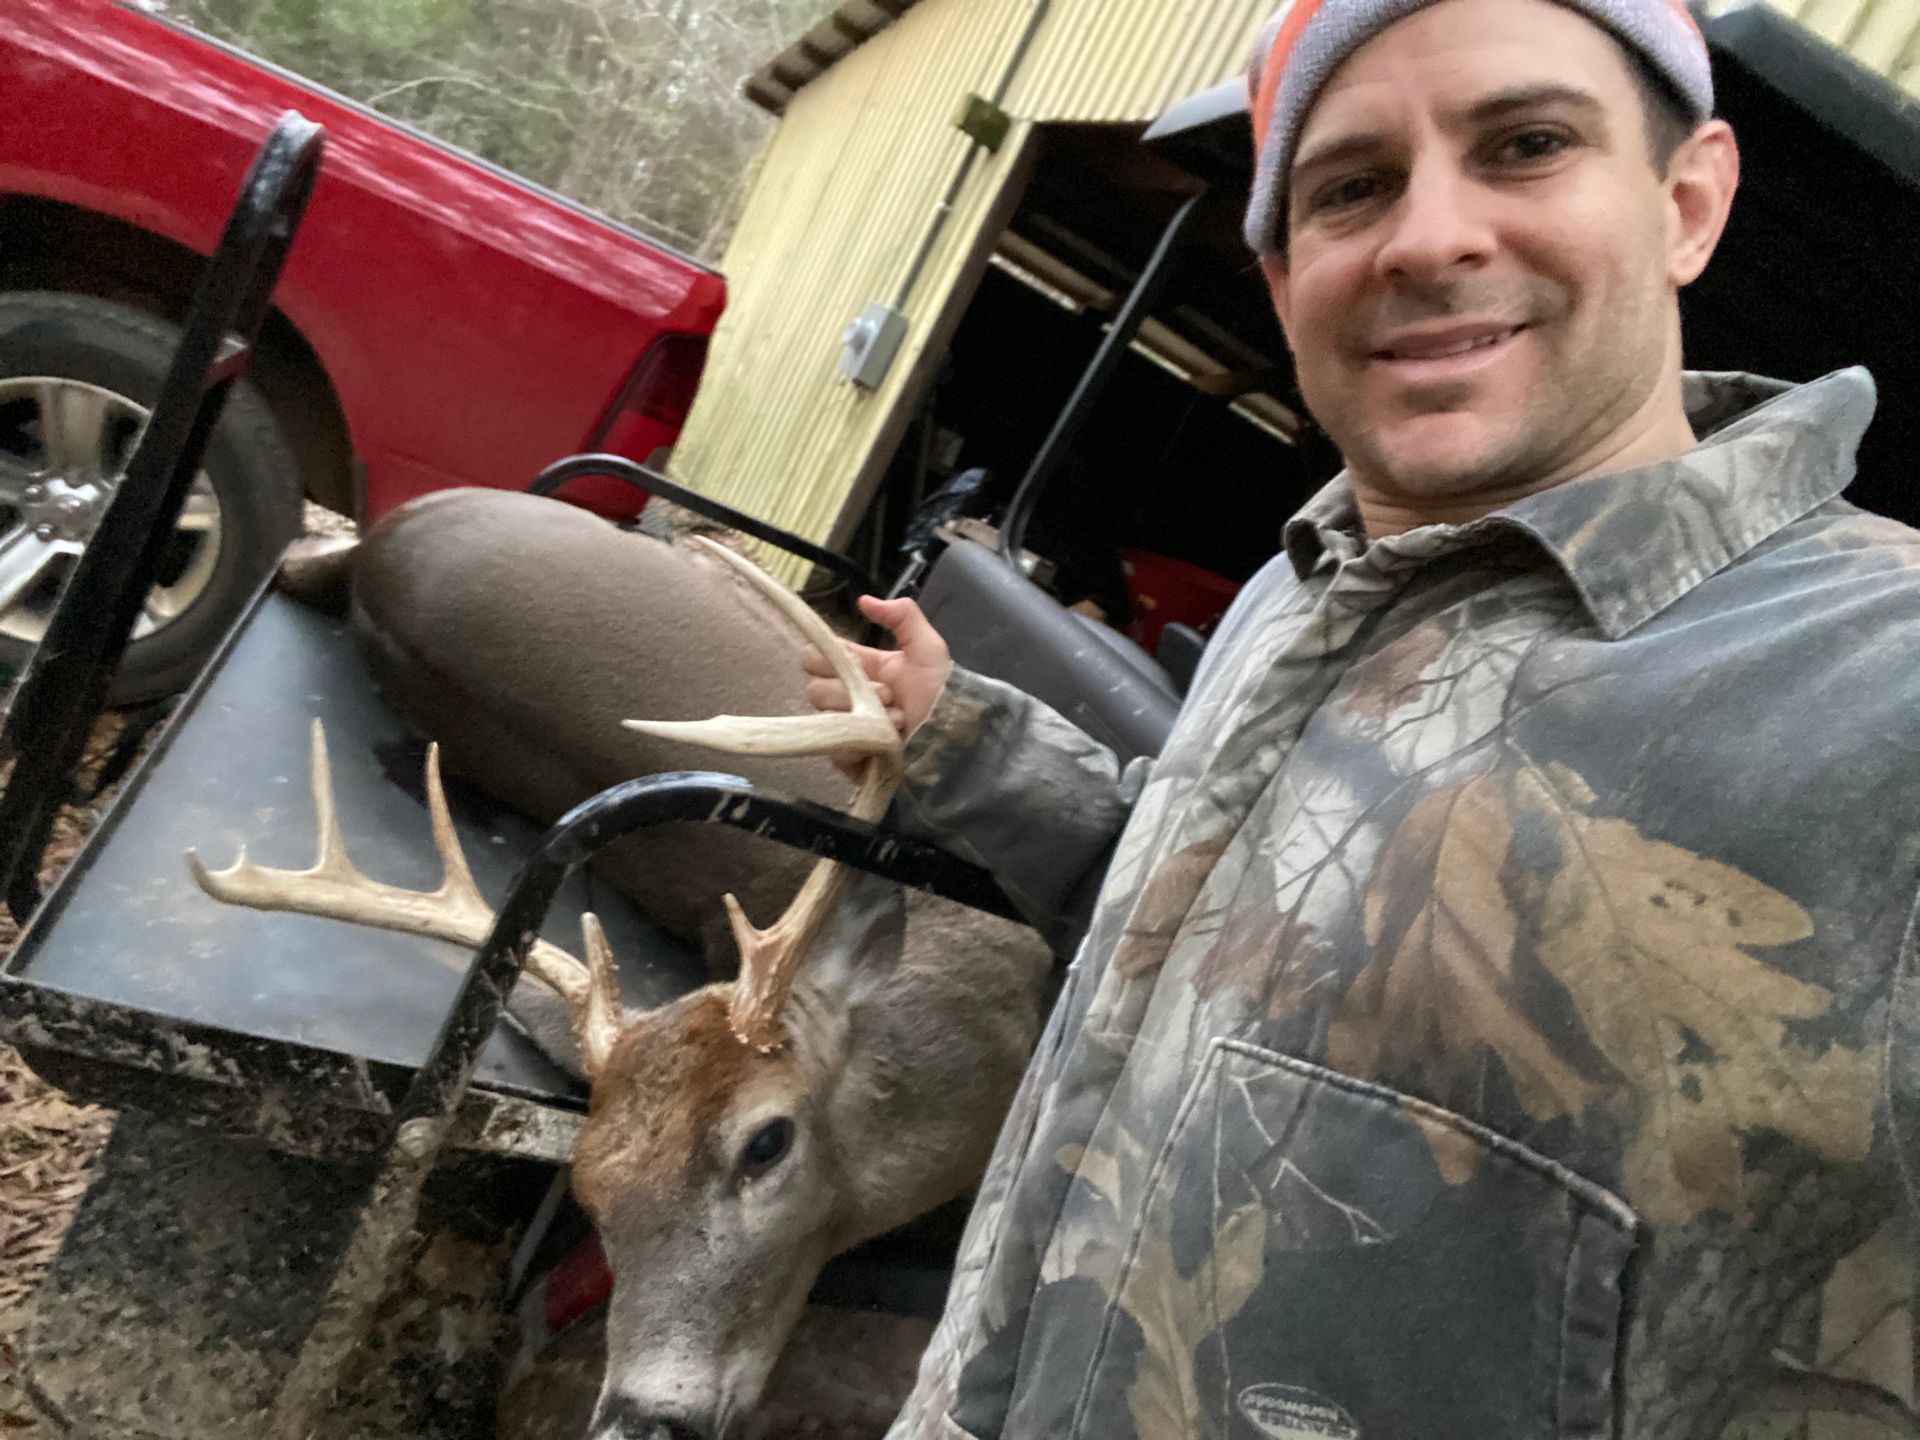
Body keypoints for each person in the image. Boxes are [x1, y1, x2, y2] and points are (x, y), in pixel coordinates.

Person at [807, 0, 1920, 1434]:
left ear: (1687, 203)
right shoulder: (1298, 593)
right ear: (1285, 281)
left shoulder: (1884, 692)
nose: (1428, 238)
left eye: (1527, 144)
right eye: (1352, 186)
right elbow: (1183, 934)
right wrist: (963, 734)